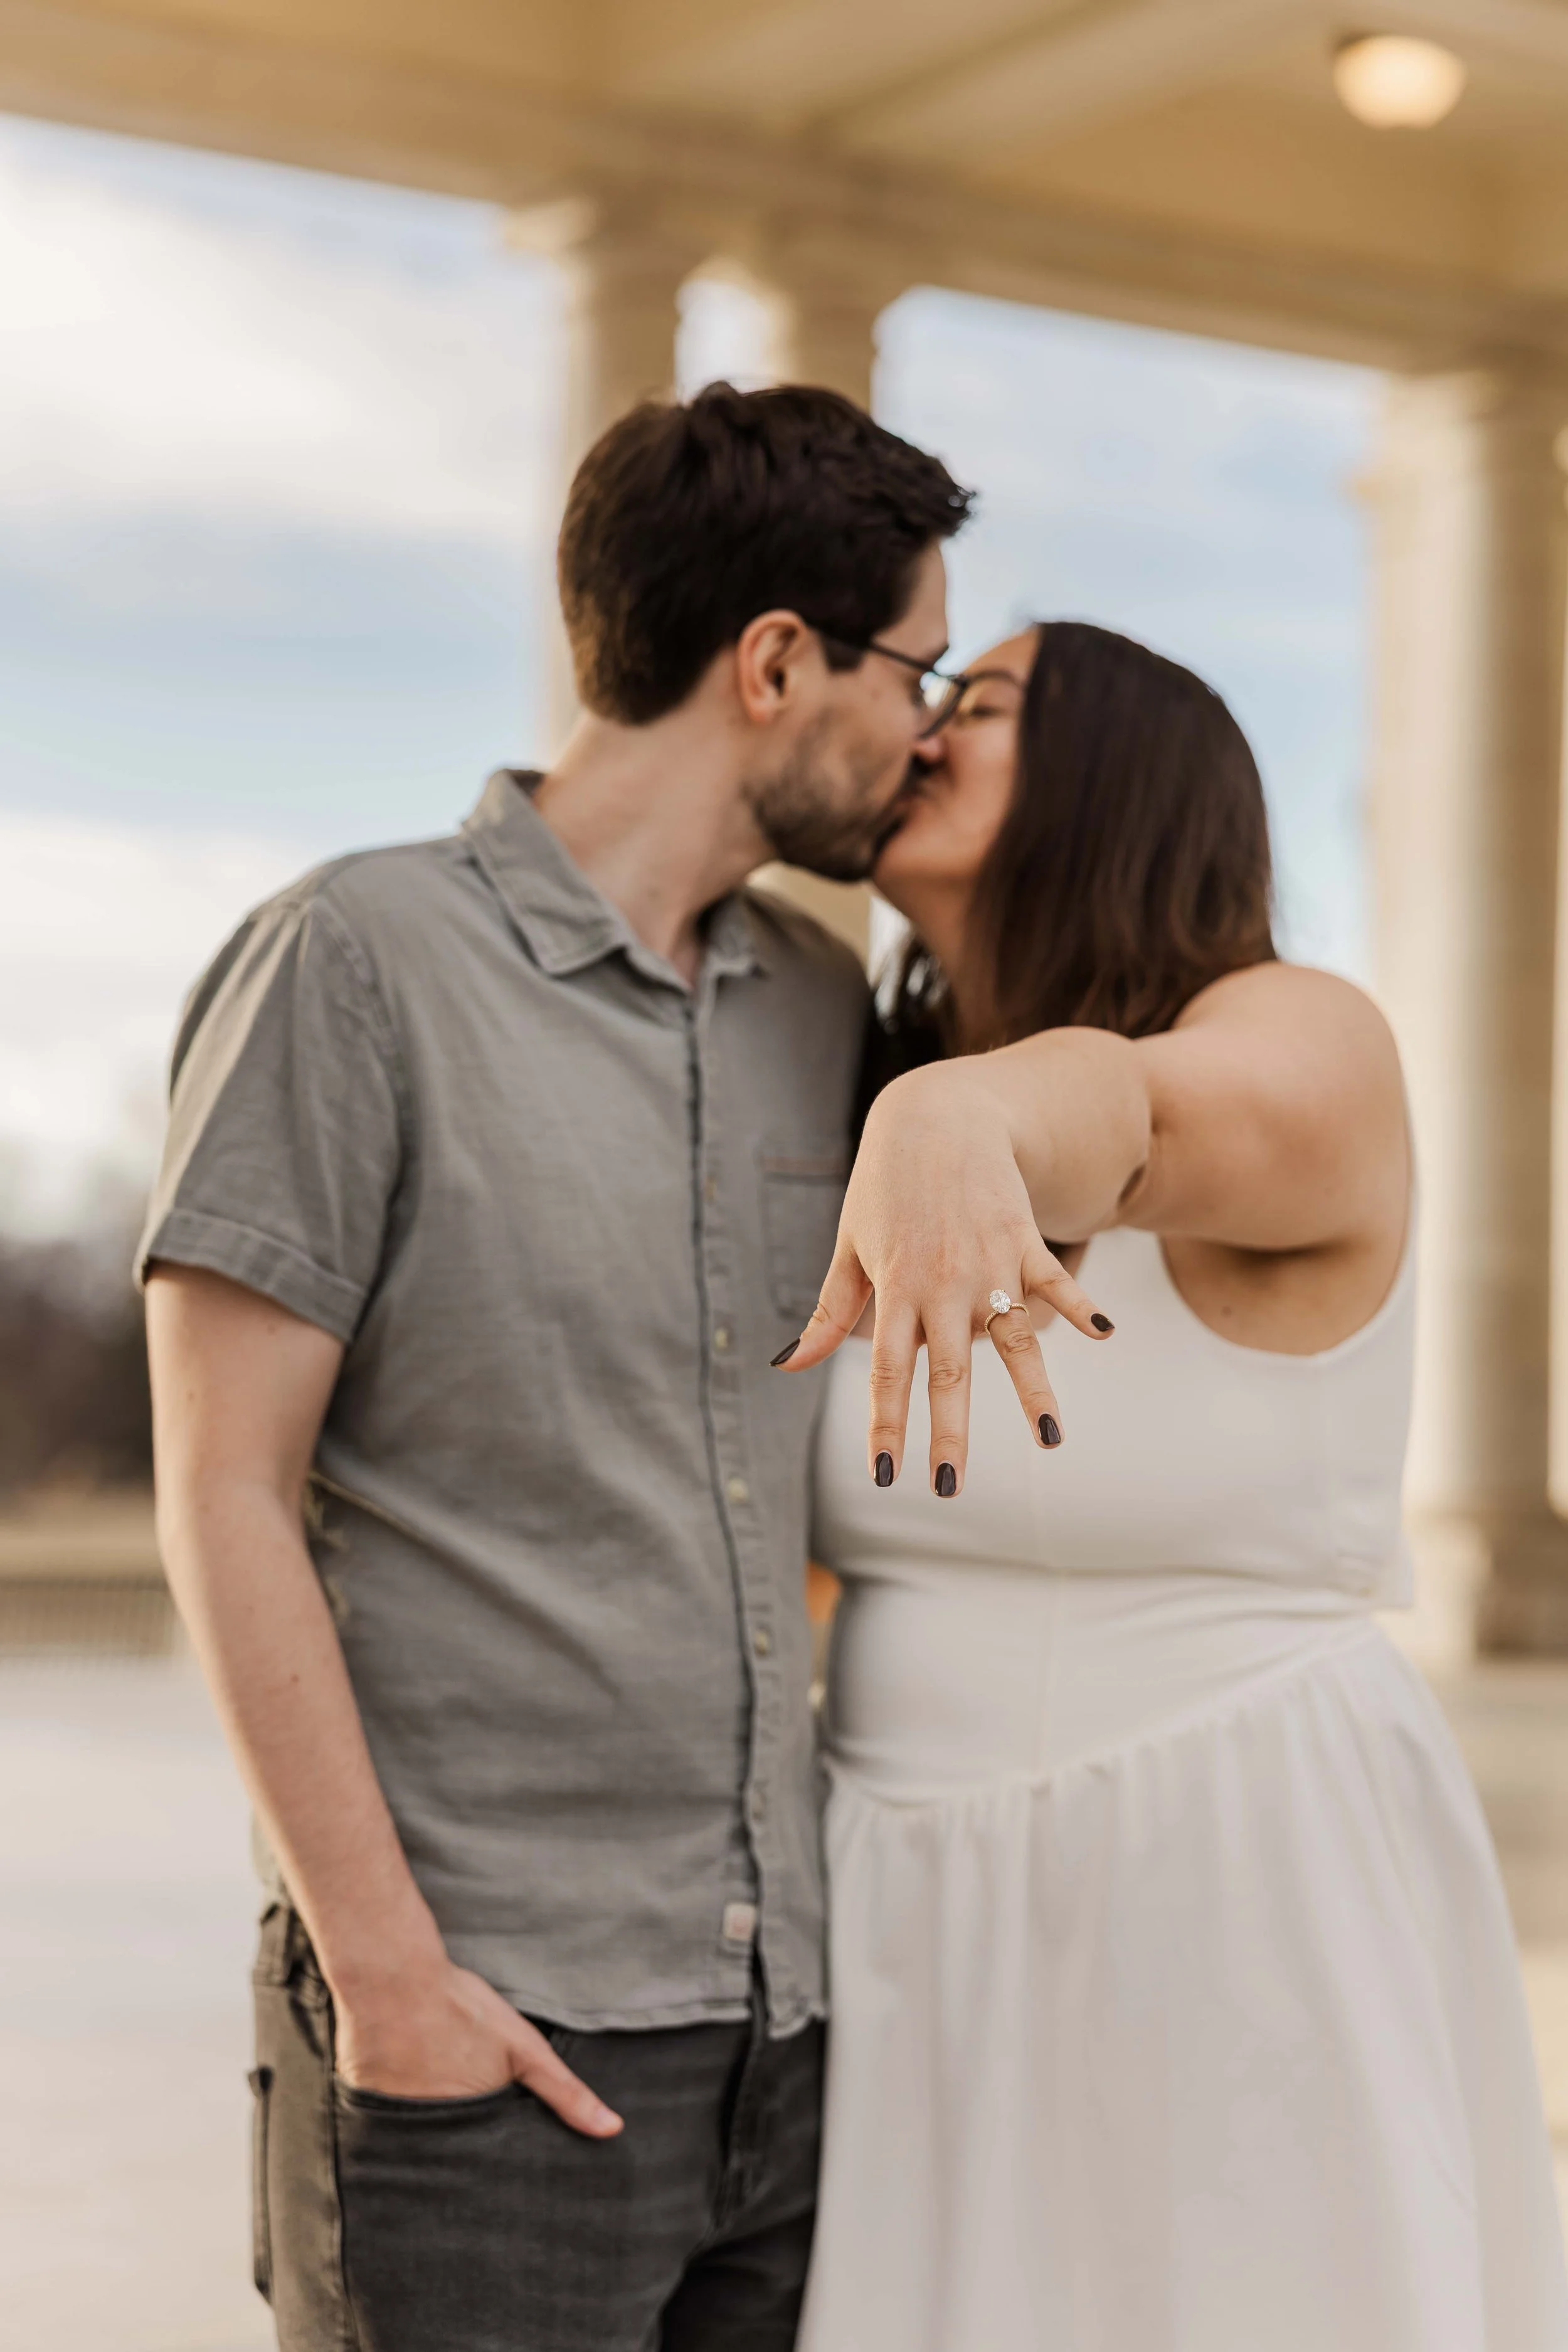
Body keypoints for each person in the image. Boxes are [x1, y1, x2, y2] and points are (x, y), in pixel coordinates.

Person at [138, 382, 972, 2352]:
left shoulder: (813, 1001)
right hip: (481, 2042)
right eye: (915, 670)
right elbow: (223, 1490)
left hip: (783, 2042)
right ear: (776, 660)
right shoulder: (352, 962)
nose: (924, 733)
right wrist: (392, 1977)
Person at [781, 620, 1568, 2350]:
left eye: (974, 706)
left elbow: (1127, 1114)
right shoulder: (848, 1089)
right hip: (904, 1904)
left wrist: (962, 1113)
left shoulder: (1300, 1036)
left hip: (1226, 1875)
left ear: (1113, 780)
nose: (919, 730)